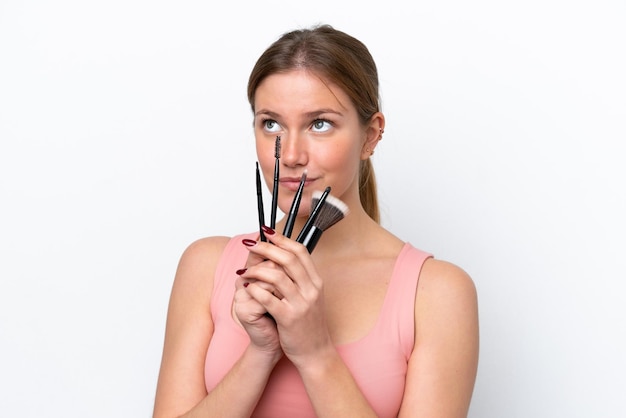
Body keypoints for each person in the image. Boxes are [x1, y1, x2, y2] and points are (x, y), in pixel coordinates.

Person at [153, 24, 479, 418]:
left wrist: (315, 353)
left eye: (319, 123)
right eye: (270, 123)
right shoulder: (207, 266)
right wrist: (261, 353)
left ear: (370, 136)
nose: (290, 155)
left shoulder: (436, 293)